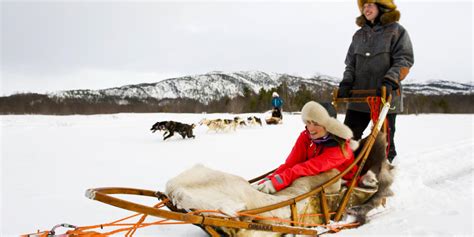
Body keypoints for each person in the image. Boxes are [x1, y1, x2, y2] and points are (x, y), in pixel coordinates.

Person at [337, 0, 414, 163]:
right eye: (364, 6)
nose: (366, 8)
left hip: (385, 96)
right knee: (347, 139)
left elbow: (404, 60)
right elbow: (350, 64)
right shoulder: (358, 35)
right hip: (359, 97)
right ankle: (347, 172)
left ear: (381, 6)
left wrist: (390, 80)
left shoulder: (397, 31)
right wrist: (346, 82)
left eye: (370, 4)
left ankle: (383, 172)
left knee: (383, 142)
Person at [253, 101, 358, 194]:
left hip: (340, 180)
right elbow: (291, 163)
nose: (311, 128)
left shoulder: (341, 148)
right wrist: (269, 180)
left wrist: (277, 183)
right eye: (308, 122)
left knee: (299, 182)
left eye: (316, 123)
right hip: (314, 173)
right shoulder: (306, 136)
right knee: (289, 176)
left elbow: (310, 167)